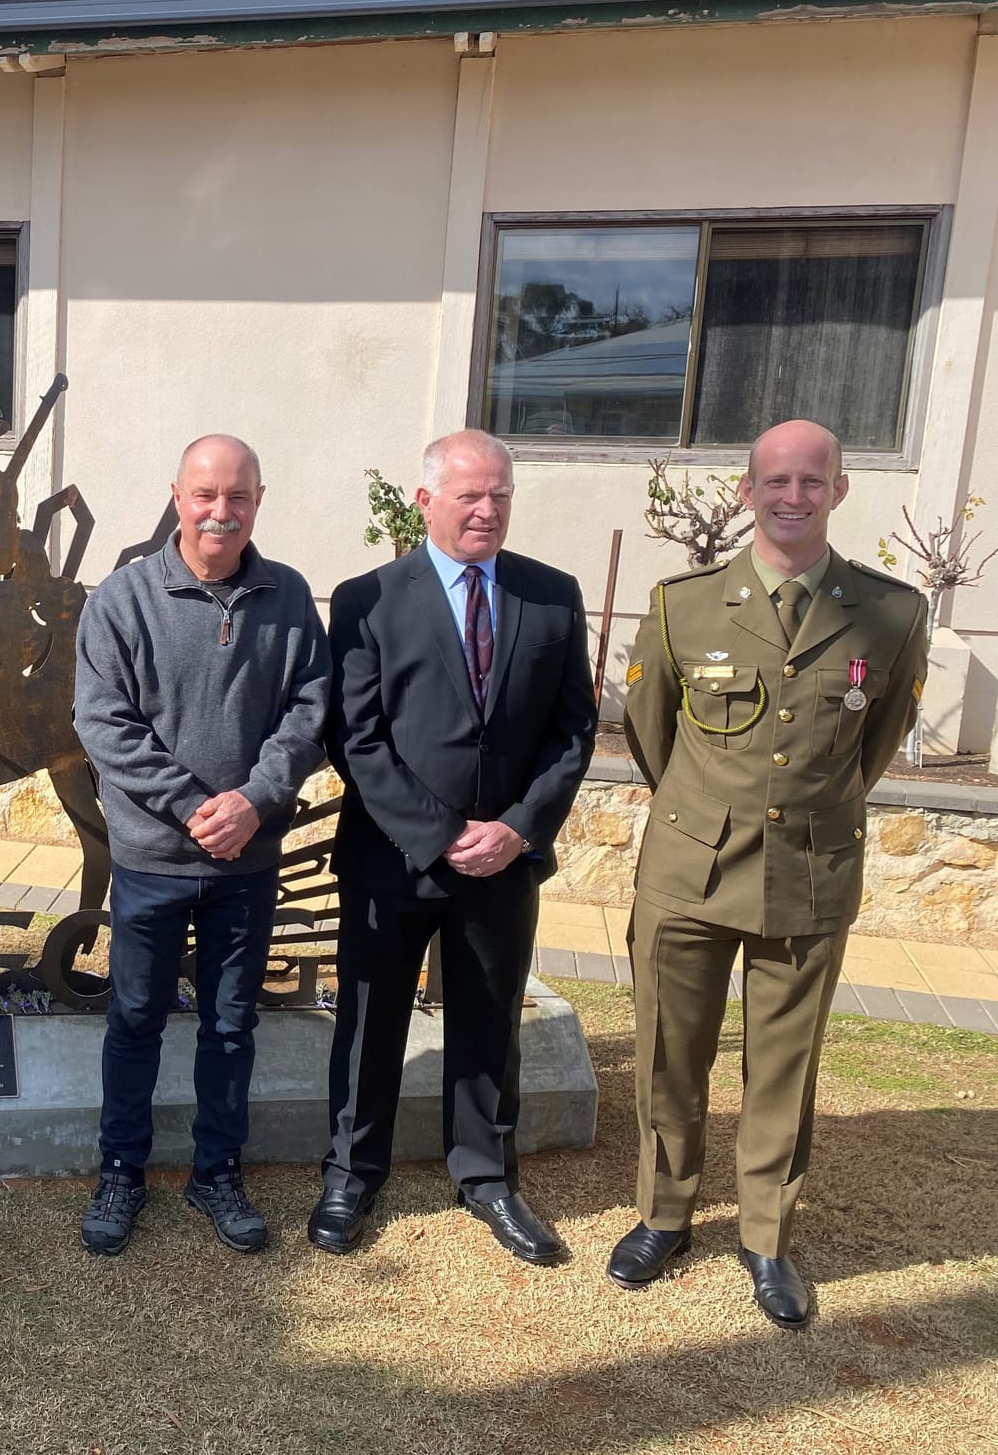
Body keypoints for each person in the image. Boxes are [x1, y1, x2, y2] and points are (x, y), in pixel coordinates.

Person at [611, 419, 927, 1329]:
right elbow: (651, 732)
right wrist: (711, 812)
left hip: (810, 874)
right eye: (776, 481)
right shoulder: (684, 604)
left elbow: (872, 749)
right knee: (673, 1052)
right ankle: (664, 1215)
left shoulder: (894, 613)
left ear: (839, 491)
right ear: (747, 492)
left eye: (812, 481)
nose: (794, 497)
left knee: (783, 1068)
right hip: (690, 870)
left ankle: (765, 1237)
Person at [313, 430, 595, 1266]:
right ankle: (350, 1174)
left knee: (488, 1022)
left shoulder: (551, 595)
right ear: (425, 500)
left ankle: (487, 1178)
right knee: (368, 1025)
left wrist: (515, 828)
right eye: (470, 494)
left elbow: (574, 729)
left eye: (501, 495)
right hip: (393, 860)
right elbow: (355, 740)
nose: (488, 509)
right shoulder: (366, 598)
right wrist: (442, 835)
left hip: (504, 863)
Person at [72, 434, 330, 1256]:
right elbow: (103, 724)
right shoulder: (122, 598)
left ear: (259, 499)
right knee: (136, 1020)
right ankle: (122, 1168)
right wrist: (192, 808)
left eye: (239, 496)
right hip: (151, 862)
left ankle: (217, 1173)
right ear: (177, 497)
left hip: (246, 865)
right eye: (205, 494)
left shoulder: (287, 598)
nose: (222, 511)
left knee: (228, 1027)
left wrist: (255, 801)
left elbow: (311, 709)